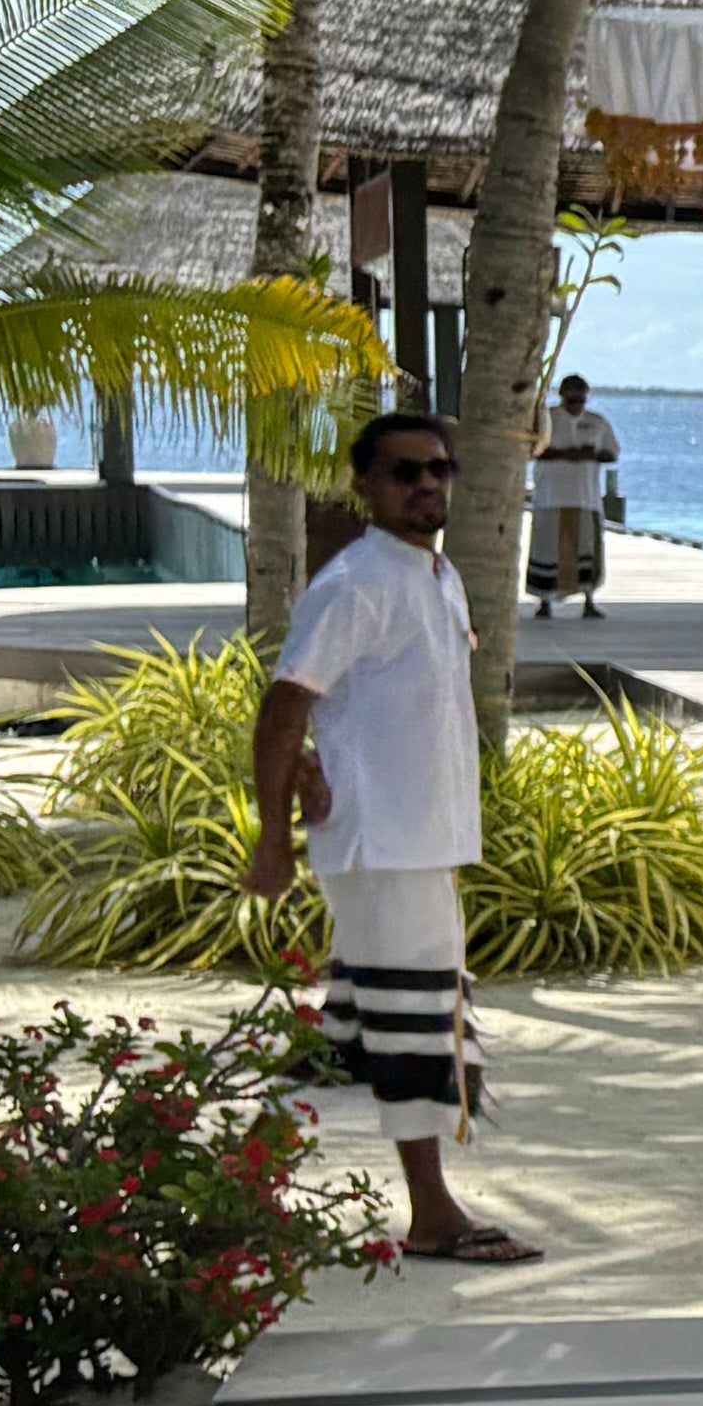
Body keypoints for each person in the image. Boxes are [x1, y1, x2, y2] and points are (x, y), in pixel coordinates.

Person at [241, 407, 537, 1266]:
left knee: (371, 1023)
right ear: (366, 485)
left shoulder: (436, 575)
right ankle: (435, 1213)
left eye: (438, 470)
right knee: (413, 1021)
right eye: (405, 472)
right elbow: (285, 701)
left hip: (424, 840)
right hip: (381, 842)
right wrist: (272, 839)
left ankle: (243, 1175)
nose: (426, 485)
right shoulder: (357, 582)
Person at [527, 374, 621, 617]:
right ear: (562, 396)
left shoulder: (597, 423)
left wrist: (590, 455)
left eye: (580, 399)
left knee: (587, 548)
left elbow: (612, 454)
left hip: (585, 497)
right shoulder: (547, 419)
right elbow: (531, 451)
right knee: (546, 548)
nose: (576, 404)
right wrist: (563, 454)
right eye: (571, 398)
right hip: (550, 495)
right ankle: (544, 601)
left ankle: (588, 600)